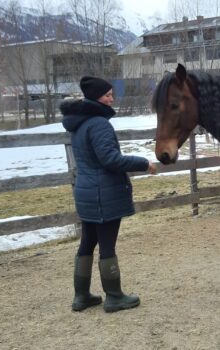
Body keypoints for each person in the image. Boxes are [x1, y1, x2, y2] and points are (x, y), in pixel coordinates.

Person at [60, 76, 157, 313]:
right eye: (107, 95)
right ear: (95, 98)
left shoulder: (79, 123)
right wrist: (144, 163)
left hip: (86, 191)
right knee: (106, 246)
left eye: (112, 94)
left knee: (87, 243)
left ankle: (81, 296)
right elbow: (110, 159)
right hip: (103, 193)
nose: (112, 99)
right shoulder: (99, 124)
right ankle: (114, 297)